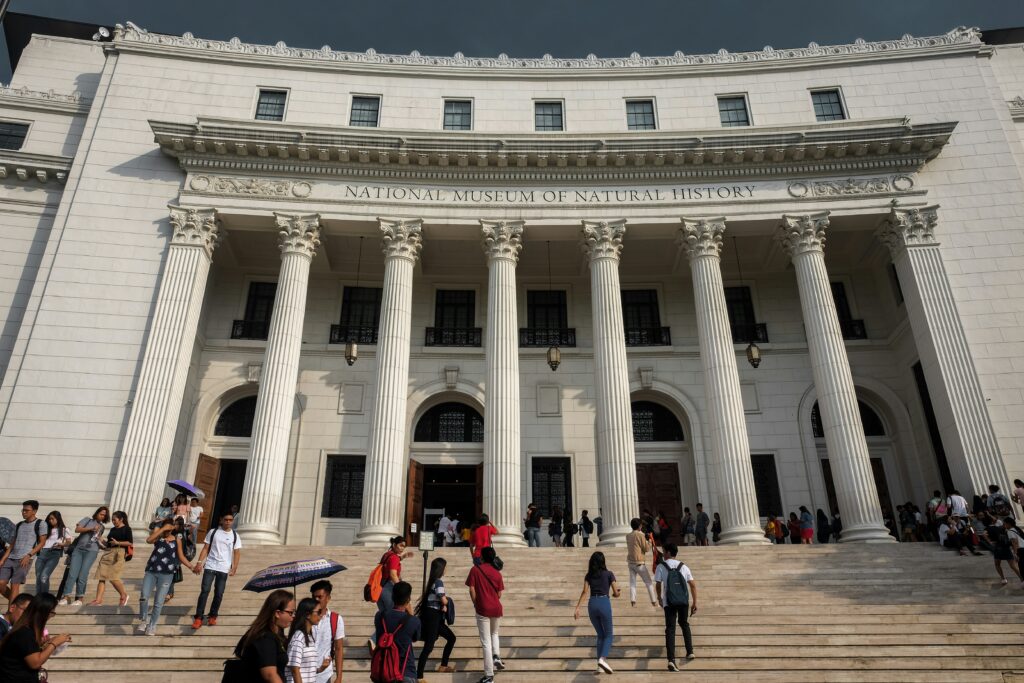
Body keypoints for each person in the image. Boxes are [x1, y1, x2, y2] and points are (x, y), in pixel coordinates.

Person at [138, 517, 195, 635]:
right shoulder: (158, 536)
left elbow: (181, 556)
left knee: (159, 601)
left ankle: (152, 625)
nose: (168, 530)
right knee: (144, 596)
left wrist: (192, 567)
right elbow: (148, 540)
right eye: (166, 527)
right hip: (151, 571)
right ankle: (143, 620)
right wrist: (162, 529)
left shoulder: (177, 539)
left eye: (170, 528)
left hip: (167, 574)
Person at [0, 592, 71, 682]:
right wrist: (54, 643)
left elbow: (27, 653)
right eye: (52, 613)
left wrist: (46, 644)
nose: (51, 617)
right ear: (44, 613)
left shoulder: (26, 630)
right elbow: (35, 663)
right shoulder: (24, 632)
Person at [192, 511, 242, 629]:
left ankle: (213, 616)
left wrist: (234, 567)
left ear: (232, 521)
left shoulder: (235, 535)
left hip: (224, 568)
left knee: (219, 593)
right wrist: (199, 562)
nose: (228, 522)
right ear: (221, 520)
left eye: (230, 520)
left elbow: (237, 552)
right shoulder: (213, 532)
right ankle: (198, 618)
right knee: (205, 591)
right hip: (210, 565)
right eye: (226, 520)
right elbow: (205, 548)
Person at [234, 589, 294, 682]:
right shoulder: (265, 638)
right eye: (290, 612)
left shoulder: (275, 636)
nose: (293, 616)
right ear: (277, 613)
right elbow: (270, 674)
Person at [573, 551, 619, 674]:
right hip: (604, 602)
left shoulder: (589, 575)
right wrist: (617, 594)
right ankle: (602, 659)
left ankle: (599, 667)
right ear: (603, 562)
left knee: (600, 635)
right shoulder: (609, 574)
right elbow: (616, 592)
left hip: (592, 604)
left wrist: (577, 608)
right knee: (609, 635)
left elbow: (584, 592)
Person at [654, 543, 697, 670]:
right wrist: (695, 602)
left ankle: (671, 659)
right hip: (683, 601)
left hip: (669, 601)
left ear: (668, 552)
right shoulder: (684, 566)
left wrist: (659, 598)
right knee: (684, 624)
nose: (663, 553)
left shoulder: (661, 566)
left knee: (670, 628)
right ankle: (690, 651)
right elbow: (693, 585)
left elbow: (658, 584)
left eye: (663, 551)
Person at [369, 536, 415, 650]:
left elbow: (392, 562)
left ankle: (381, 643)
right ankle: (374, 639)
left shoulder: (387, 555)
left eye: (404, 546)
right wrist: (401, 589)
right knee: (394, 618)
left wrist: (403, 556)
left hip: (380, 590)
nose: (402, 548)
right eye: (400, 545)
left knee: (385, 619)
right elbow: (393, 574)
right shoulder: (394, 557)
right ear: (394, 545)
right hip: (389, 589)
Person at [466, 546, 504, 683]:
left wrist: (476, 603)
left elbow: (471, 589)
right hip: (496, 608)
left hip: (483, 609)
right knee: (494, 633)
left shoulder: (475, 570)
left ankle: (489, 675)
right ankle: (496, 656)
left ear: (481, 557)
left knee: (486, 641)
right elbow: (499, 594)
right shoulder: (497, 573)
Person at [415, 557, 457, 679]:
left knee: (451, 638)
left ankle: (443, 665)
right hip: (433, 617)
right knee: (429, 646)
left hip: (434, 616)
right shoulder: (438, 582)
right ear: (441, 569)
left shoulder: (432, 581)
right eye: (445, 567)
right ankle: (419, 676)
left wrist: (443, 605)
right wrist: (446, 602)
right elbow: (443, 599)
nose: (446, 569)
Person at [59, 505, 108, 606]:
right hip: (78, 549)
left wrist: (102, 542)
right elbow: (77, 529)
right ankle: (66, 597)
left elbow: (97, 539)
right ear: (97, 513)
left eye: (104, 515)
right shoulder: (87, 520)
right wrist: (91, 529)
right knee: (72, 574)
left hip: (92, 551)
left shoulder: (102, 527)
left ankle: (80, 598)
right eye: (101, 514)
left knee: (83, 574)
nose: (102, 516)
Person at [0, 500, 48, 604]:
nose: (23, 512)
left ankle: (11, 611)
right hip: (11, 557)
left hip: (24, 559)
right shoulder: (19, 525)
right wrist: (3, 559)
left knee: (14, 585)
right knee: (1, 583)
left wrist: (29, 555)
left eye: (27, 510)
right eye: (23, 510)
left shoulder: (41, 524)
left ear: (34, 511)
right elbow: (12, 543)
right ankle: (18, 604)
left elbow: (42, 543)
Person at [373, 581, 421, 683]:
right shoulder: (413, 621)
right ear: (408, 599)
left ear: (392, 597)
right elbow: (415, 638)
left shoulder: (379, 616)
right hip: (405, 672)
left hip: (383, 671)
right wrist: (411, 614)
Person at [89, 510, 132, 606]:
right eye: (112, 520)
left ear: (121, 519)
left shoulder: (127, 529)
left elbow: (130, 542)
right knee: (101, 577)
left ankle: (124, 595)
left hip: (119, 553)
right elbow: (108, 544)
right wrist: (100, 538)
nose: (113, 521)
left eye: (115, 520)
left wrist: (118, 543)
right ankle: (98, 600)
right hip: (108, 552)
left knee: (113, 577)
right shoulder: (112, 529)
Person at [310, 580, 345, 683]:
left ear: (328, 598)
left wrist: (339, 677)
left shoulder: (336, 619)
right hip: (305, 674)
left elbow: (338, 648)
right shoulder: (305, 618)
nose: (316, 600)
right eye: (314, 597)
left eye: (320, 597)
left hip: (324, 676)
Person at [286, 597, 326, 683]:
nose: (321, 615)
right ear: (308, 615)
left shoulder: (309, 636)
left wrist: (320, 669)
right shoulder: (299, 637)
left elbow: (305, 669)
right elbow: (294, 669)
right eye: (318, 612)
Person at [35, 511, 71, 596]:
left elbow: (69, 542)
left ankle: (44, 597)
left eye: (52, 519)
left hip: (54, 553)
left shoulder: (64, 529)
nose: (50, 521)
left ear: (58, 519)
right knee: (38, 577)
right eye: (49, 519)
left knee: (44, 576)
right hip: (42, 553)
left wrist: (60, 544)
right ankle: (38, 597)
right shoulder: (46, 529)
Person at [979, 512, 1020, 585]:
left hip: (997, 548)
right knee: (1013, 566)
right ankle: (1022, 578)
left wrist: (989, 542)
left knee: (997, 564)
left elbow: (984, 534)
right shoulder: (999, 527)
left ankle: (1003, 579)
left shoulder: (988, 528)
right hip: (1006, 547)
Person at [625, 517, 657, 608]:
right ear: (639, 526)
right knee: (648, 582)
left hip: (630, 562)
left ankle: (633, 600)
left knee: (632, 582)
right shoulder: (640, 535)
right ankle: (654, 601)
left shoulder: (628, 535)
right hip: (639, 562)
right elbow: (646, 548)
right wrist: (649, 541)